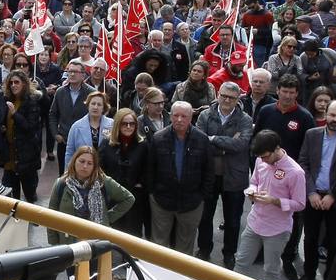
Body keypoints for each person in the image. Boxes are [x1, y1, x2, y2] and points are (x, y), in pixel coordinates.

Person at [289, 100, 336, 280]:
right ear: (326, 114)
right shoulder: (311, 135)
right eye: (332, 115)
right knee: (310, 238)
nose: (335, 119)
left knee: (334, 241)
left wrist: (333, 195)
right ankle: (308, 274)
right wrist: (311, 192)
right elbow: (303, 164)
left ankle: (331, 279)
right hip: (313, 196)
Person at [196, 81, 253, 268]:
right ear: (218, 95)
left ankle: (229, 253)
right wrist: (227, 143)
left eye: (231, 97)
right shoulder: (205, 115)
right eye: (224, 95)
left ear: (238, 99)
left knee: (233, 220)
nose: (227, 100)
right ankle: (204, 249)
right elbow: (200, 142)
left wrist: (213, 139)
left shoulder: (245, 119)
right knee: (205, 217)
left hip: (234, 177)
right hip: (209, 175)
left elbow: (241, 144)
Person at [237, 130, 307, 280]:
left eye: (266, 156)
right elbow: (254, 182)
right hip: (255, 222)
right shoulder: (260, 161)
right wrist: (251, 192)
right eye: (260, 157)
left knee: (271, 270)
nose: (263, 160)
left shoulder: (295, 172)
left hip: (277, 230)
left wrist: (274, 200)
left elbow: (300, 204)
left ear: (277, 148)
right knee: (241, 263)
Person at [144, 101, 212, 255]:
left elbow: (209, 171)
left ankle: (180, 278)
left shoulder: (202, 139)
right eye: (176, 115)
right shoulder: (158, 138)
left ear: (191, 118)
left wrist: (202, 196)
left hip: (192, 202)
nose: (179, 119)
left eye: (184, 116)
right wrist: (153, 193)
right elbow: (150, 169)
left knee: (185, 248)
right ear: (170, 116)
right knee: (159, 246)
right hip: (162, 201)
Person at [45, 145, 134, 246]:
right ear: (74, 161)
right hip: (69, 242)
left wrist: (107, 218)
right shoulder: (61, 184)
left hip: (97, 241)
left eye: (89, 163)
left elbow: (128, 198)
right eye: (82, 161)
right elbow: (51, 214)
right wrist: (54, 243)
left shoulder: (103, 181)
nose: (85, 166)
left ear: (94, 166)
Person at [99, 108, 150, 238]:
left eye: (132, 123)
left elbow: (148, 170)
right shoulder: (106, 144)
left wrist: (141, 185)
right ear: (117, 124)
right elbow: (100, 169)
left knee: (133, 236)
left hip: (134, 200)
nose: (128, 127)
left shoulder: (142, 145)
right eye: (124, 123)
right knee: (113, 236)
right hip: (113, 199)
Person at [1, 69, 43, 202]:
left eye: (17, 82)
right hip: (10, 155)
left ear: (24, 84)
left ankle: (30, 222)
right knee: (11, 197)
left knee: (29, 196)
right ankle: (13, 222)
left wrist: (15, 114)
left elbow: (30, 128)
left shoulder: (31, 102)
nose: (13, 85)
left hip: (26, 156)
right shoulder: (6, 100)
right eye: (11, 83)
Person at [48, 59, 92, 172]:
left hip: (84, 141)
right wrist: (55, 134)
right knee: (64, 173)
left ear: (83, 75)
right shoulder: (60, 92)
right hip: (64, 140)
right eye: (69, 71)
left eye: (75, 72)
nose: (71, 74)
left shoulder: (91, 93)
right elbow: (53, 114)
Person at [65, 91, 113, 156]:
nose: (95, 107)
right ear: (88, 105)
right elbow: (69, 152)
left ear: (104, 108)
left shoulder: (112, 125)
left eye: (99, 104)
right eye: (93, 104)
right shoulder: (76, 127)